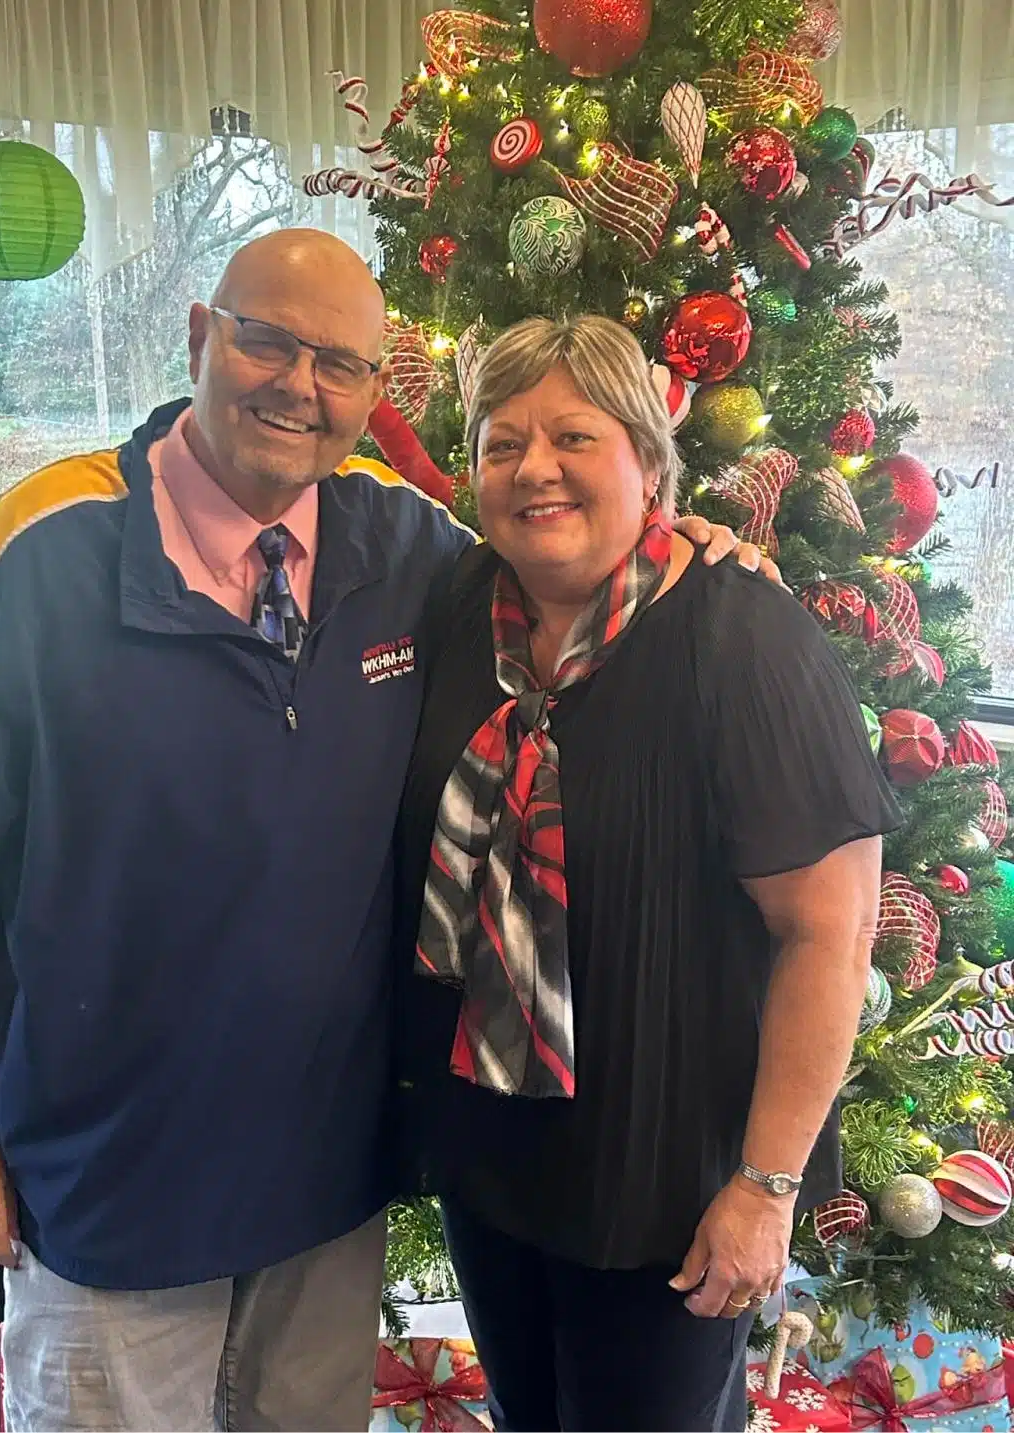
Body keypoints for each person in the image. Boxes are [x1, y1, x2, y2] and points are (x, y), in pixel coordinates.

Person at [0, 231, 769, 1432]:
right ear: (197, 338)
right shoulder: (42, 554)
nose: (298, 384)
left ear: (375, 395)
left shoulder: (403, 549)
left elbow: (561, 561)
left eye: (340, 362)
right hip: (113, 1179)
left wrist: (681, 545)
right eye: (266, 339)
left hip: (324, 1176)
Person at [394, 315, 902, 1433]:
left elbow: (830, 929)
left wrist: (765, 1189)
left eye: (574, 434)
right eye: (501, 441)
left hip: (668, 1182)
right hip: (497, 1153)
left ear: (647, 455)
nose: (535, 467)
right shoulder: (455, 605)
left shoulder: (742, 636)